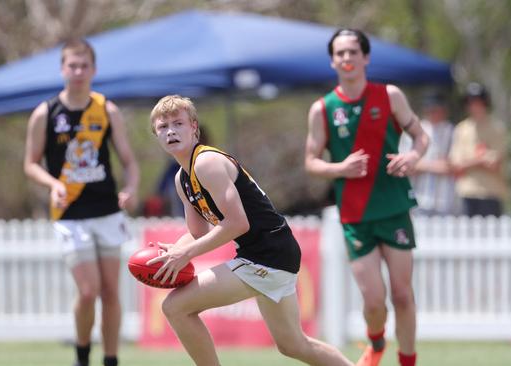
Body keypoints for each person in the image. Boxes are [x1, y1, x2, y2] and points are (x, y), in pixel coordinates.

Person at [146, 95, 354, 366]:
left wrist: (186, 255)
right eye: (163, 127)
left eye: (178, 123)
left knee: (174, 307)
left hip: (266, 256)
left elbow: (237, 224)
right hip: (275, 252)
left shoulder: (206, 163)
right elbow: (197, 233)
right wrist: (176, 249)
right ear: (156, 135)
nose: (171, 131)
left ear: (194, 128)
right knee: (294, 345)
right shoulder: (182, 178)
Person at [304, 29, 429, 366]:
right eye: (340, 53)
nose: (347, 58)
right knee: (374, 301)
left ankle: (408, 360)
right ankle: (375, 344)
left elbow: (420, 137)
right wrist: (340, 167)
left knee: (402, 295)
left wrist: (413, 158)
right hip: (356, 215)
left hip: (394, 208)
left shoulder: (390, 95)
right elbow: (311, 161)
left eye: (353, 52)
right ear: (332, 61)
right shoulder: (323, 108)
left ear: (366, 58)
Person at [23, 38, 140, 366]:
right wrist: (52, 183)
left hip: (106, 210)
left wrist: (130, 188)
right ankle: (82, 354)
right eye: (71, 65)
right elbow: (30, 163)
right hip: (70, 212)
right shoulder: (45, 113)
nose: (77, 71)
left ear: (94, 69)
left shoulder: (106, 109)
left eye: (83, 65)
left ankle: (112, 359)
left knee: (111, 292)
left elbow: (129, 161)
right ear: (62, 69)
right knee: (88, 291)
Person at [449, 82, 508, 217]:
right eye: (471, 102)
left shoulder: (497, 128)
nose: (474, 106)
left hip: (491, 192)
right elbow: (455, 164)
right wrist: (481, 159)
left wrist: (469, 162)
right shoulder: (461, 129)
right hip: (467, 191)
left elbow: (494, 163)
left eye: (478, 102)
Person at [399, 92, 460, 216]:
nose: (434, 113)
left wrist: (421, 164)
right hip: (420, 197)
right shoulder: (416, 130)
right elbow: (406, 165)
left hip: (445, 200)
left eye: (437, 109)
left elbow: (453, 165)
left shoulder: (453, 131)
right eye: (431, 109)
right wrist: (434, 166)